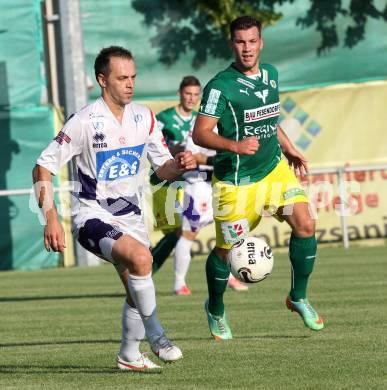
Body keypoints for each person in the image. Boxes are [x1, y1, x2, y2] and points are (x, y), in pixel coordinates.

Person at [32, 46, 196, 369]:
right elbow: (42, 167)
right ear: (102, 80)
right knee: (141, 258)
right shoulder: (84, 121)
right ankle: (158, 336)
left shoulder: (144, 117)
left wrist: (179, 165)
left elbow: (161, 167)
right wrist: (51, 217)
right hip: (92, 216)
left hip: (132, 218)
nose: (130, 84)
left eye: (133, 77)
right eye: (122, 78)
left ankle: (129, 355)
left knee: (137, 287)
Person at [192, 15, 324, 340]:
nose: (247, 48)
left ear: (261, 42)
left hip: (273, 173)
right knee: (226, 251)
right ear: (231, 44)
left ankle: (297, 297)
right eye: (240, 42)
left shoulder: (272, 75)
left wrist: (289, 149)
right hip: (236, 184)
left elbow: (270, 120)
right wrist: (234, 145)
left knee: (305, 224)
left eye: (252, 41)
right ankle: (216, 309)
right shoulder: (219, 86)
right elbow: (200, 133)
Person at [151, 76, 248, 294]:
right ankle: (178, 283)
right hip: (189, 186)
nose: (192, 99)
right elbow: (167, 151)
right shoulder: (179, 122)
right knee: (186, 233)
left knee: (230, 230)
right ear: (180, 93)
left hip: (216, 185)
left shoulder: (209, 122)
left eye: (197, 95)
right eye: (188, 94)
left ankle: (230, 276)